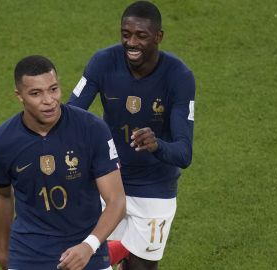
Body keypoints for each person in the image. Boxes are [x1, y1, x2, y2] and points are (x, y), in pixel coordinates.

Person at [68, 1, 196, 269]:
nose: (131, 42)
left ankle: (126, 254)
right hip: (108, 182)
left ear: (159, 37)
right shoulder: (103, 62)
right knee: (89, 262)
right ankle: (120, 252)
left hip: (155, 190)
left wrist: (156, 144)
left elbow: (184, 154)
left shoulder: (179, 76)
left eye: (141, 35)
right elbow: (70, 116)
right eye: (126, 34)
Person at [0, 55, 126, 270]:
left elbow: (116, 199)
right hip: (29, 255)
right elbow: (2, 194)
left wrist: (89, 246)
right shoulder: (2, 142)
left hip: (88, 254)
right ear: (19, 96)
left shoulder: (91, 129)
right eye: (36, 93)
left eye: (53, 89)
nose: (49, 100)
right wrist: (2, 251)